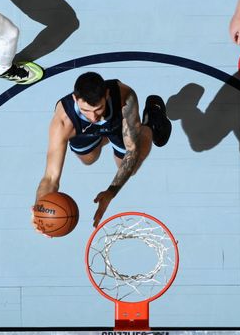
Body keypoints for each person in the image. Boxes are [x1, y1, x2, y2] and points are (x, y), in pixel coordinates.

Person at [33, 72, 172, 231]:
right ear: (75, 99)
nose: (93, 117)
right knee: (88, 159)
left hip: (117, 126)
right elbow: (50, 177)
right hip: (83, 131)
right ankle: (103, 136)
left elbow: (132, 151)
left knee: (129, 168)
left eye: (98, 109)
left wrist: (111, 192)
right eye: (86, 110)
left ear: (106, 95)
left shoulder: (125, 99)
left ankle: (151, 124)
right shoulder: (64, 121)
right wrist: (40, 210)